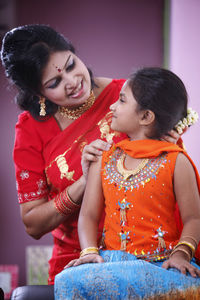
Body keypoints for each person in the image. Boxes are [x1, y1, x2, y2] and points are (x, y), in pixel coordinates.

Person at [1, 24, 179, 287]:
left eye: (71, 65)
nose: (72, 82)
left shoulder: (132, 98)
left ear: (74, 52)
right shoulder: (31, 129)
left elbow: (175, 180)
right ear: (38, 93)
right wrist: (84, 182)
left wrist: (169, 149)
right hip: (79, 260)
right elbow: (33, 223)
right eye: (55, 83)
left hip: (150, 252)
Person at [55, 68, 200, 299]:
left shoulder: (176, 160)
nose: (112, 107)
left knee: (188, 285)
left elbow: (194, 218)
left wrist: (181, 254)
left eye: (122, 100)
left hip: (160, 264)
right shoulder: (103, 159)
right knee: (66, 280)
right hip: (112, 263)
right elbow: (88, 216)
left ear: (146, 117)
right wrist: (89, 252)